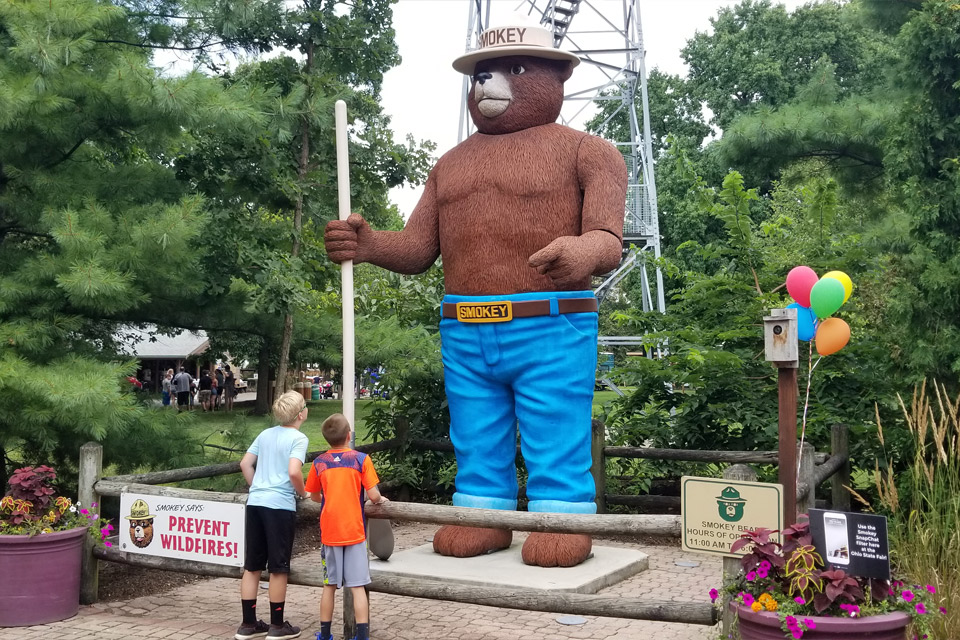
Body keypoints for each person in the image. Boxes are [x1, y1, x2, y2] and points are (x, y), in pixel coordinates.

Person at [305, 413, 388, 640]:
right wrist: (381, 500)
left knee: (329, 586)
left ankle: (324, 634)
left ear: (326, 439)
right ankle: (362, 636)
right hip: (354, 531)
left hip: (330, 533)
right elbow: (373, 494)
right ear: (349, 435)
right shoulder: (361, 460)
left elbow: (313, 496)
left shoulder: (319, 463)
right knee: (358, 586)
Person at [235, 391, 310, 640]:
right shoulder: (298, 438)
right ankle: (277, 625)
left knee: (252, 565)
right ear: (301, 414)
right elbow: (294, 472)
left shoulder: (265, 434)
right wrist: (303, 493)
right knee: (278, 567)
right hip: (279, 506)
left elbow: (245, 463)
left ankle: (248, 623)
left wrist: (257, 486)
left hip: (255, 502)